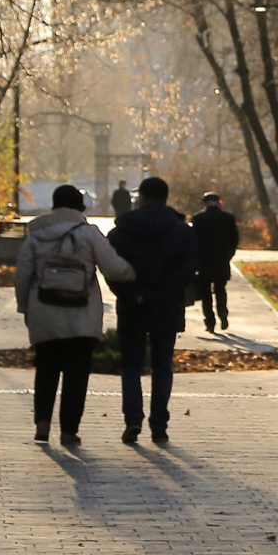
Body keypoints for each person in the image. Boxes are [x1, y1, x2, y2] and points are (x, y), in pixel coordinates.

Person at [16, 184, 135, 448]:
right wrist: (134, 274)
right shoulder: (88, 234)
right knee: (76, 373)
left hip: (44, 311)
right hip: (81, 314)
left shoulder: (36, 236)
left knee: (46, 368)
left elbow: (23, 275)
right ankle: (69, 431)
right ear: (79, 206)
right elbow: (113, 267)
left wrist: (26, 307)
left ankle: (42, 424)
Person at [107, 177, 197, 445]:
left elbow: (112, 269)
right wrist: (169, 292)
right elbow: (189, 267)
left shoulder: (121, 232)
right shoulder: (182, 231)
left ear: (142, 198)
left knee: (131, 365)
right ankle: (159, 425)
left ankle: (133, 419)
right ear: (166, 197)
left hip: (132, 304)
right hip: (167, 306)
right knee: (162, 365)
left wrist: (128, 292)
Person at [192, 191, 241, 333]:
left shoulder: (198, 218)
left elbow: (193, 240)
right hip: (221, 261)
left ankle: (210, 321)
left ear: (204, 203)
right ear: (219, 202)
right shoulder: (228, 218)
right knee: (220, 290)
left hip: (204, 262)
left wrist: (196, 259)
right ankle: (223, 315)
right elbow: (234, 239)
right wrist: (228, 256)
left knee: (206, 293)